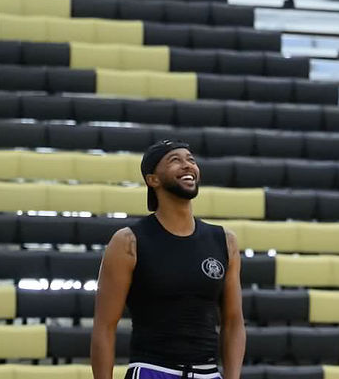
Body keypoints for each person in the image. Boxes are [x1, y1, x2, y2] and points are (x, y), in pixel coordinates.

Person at [91, 140, 245, 379]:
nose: (188, 165)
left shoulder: (225, 241)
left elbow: (233, 321)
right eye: (175, 160)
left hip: (208, 374)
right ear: (153, 179)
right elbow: (104, 327)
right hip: (152, 371)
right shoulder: (128, 242)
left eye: (191, 160)